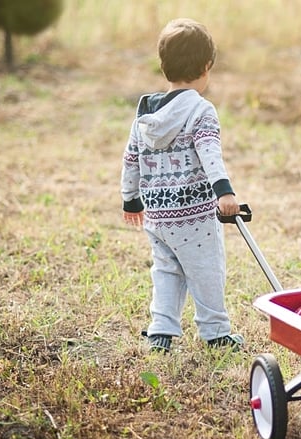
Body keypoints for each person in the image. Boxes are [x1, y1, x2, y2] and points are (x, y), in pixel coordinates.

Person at [120, 18, 243, 353]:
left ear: (164, 67)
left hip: (157, 215)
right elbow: (209, 153)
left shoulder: (144, 117)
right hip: (194, 216)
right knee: (206, 269)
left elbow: (131, 158)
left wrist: (131, 201)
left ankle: (160, 330)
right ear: (206, 67)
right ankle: (216, 332)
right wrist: (225, 193)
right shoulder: (201, 111)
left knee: (166, 270)